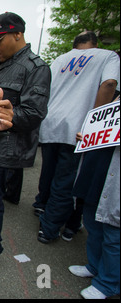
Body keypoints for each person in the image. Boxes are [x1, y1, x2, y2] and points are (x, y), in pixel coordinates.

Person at [0, 12, 51, 274]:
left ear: (18, 35)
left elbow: (35, 113)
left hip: (5, 148)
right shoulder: (2, 65)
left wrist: (13, 116)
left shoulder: (36, 68)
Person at [34, 31, 120, 244]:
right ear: (95, 43)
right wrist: (95, 123)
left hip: (51, 123)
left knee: (49, 173)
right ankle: (50, 228)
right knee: (66, 181)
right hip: (78, 127)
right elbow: (110, 84)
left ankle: (44, 209)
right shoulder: (108, 56)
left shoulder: (60, 59)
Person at [69, 127, 119, 299]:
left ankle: (108, 284)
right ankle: (95, 266)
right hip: (97, 169)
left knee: (114, 234)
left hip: (115, 178)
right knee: (92, 222)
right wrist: (88, 136)